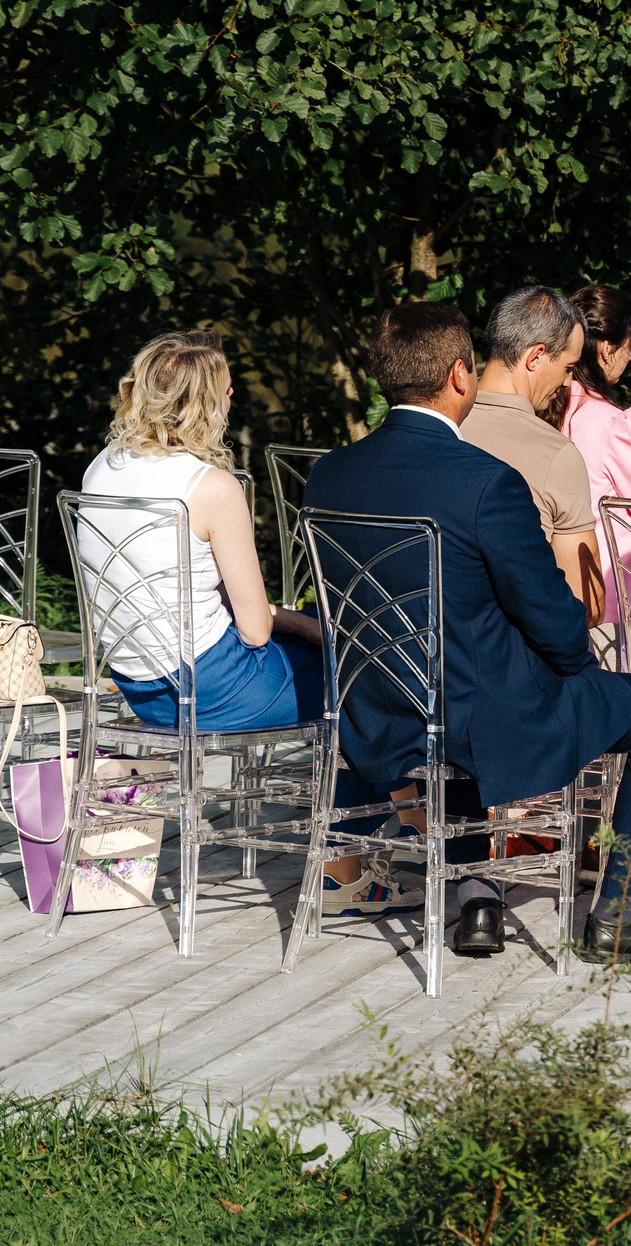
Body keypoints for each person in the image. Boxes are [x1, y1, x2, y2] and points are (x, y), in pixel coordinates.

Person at [302, 302, 631, 965]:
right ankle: (623, 913)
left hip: (376, 709)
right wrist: (574, 670)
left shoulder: (330, 474)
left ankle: (477, 896)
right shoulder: (486, 482)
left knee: (468, 675)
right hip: (478, 719)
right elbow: (556, 620)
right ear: (461, 375)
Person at [76, 332, 415, 917]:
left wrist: (302, 628)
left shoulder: (101, 469)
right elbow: (256, 629)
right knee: (364, 678)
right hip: (212, 687)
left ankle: (397, 822)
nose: (235, 395)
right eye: (228, 388)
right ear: (208, 401)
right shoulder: (210, 487)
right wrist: (312, 627)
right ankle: (351, 864)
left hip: (142, 689)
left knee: (337, 664)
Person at [459, 286, 598, 607]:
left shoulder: (436, 428)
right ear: (535, 357)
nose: (567, 383)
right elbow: (585, 603)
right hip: (509, 646)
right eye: (568, 367)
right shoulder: (556, 453)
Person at [559, 285, 631, 512]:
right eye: (630, 345)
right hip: (611, 548)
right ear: (607, 348)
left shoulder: (547, 403)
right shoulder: (616, 426)